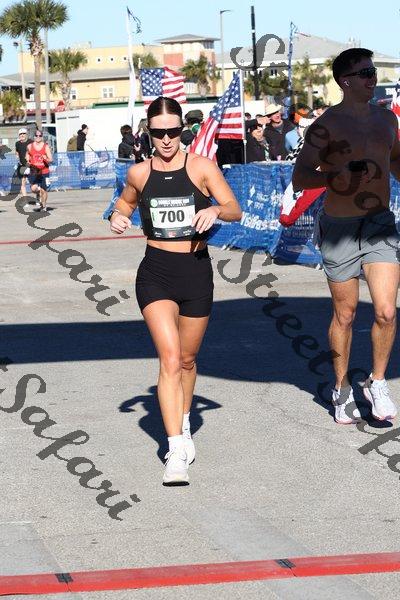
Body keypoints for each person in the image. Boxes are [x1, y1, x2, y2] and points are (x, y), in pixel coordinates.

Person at [108, 96, 242, 485]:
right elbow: (124, 204)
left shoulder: (201, 167)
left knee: (186, 359)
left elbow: (234, 208)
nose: (166, 139)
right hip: (156, 272)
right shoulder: (139, 173)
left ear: (183, 130)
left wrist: (215, 210)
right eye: (159, 133)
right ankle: (176, 448)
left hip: (196, 271)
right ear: (148, 133)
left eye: (173, 131)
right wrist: (118, 217)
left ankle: (182, 418)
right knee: (168, 358)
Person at [293, 47, 400, 425]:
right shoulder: (326, 126)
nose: (372, 78)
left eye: (373, 71)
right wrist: (334, 176)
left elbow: (396, 159)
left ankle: (377, 382)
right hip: (339, 229)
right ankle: (341, 389)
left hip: (379, 223)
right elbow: (300, 176)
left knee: (386, 311)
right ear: (345, 81)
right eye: (365, 73)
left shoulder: (387, 119)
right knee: (346, 313)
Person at [26, 130, 52, 211]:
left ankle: (43, 206)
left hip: (44, 171)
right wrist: (28, 161)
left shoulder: (45, 146)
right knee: (33, 189)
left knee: (44, 190)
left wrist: (45, 158)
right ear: (34, 137)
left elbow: (51, 159)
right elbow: (27, 155)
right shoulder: (30, 146)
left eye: (40, 136)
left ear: (42, 137)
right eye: (36, 136)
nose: (38, 137)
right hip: (34, 172)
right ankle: (39, 193)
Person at [15, 128, 33, 197]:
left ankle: (38, 197)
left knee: (33, 184)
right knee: (22, 183)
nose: (22, 135)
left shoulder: (31, 142)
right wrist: (17, 157)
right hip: (22, 165)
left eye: (23, 133)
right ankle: (25, 200)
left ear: (26, 134)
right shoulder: (17, 143)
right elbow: (17, 152)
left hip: (31, 165)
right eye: (20, 134)